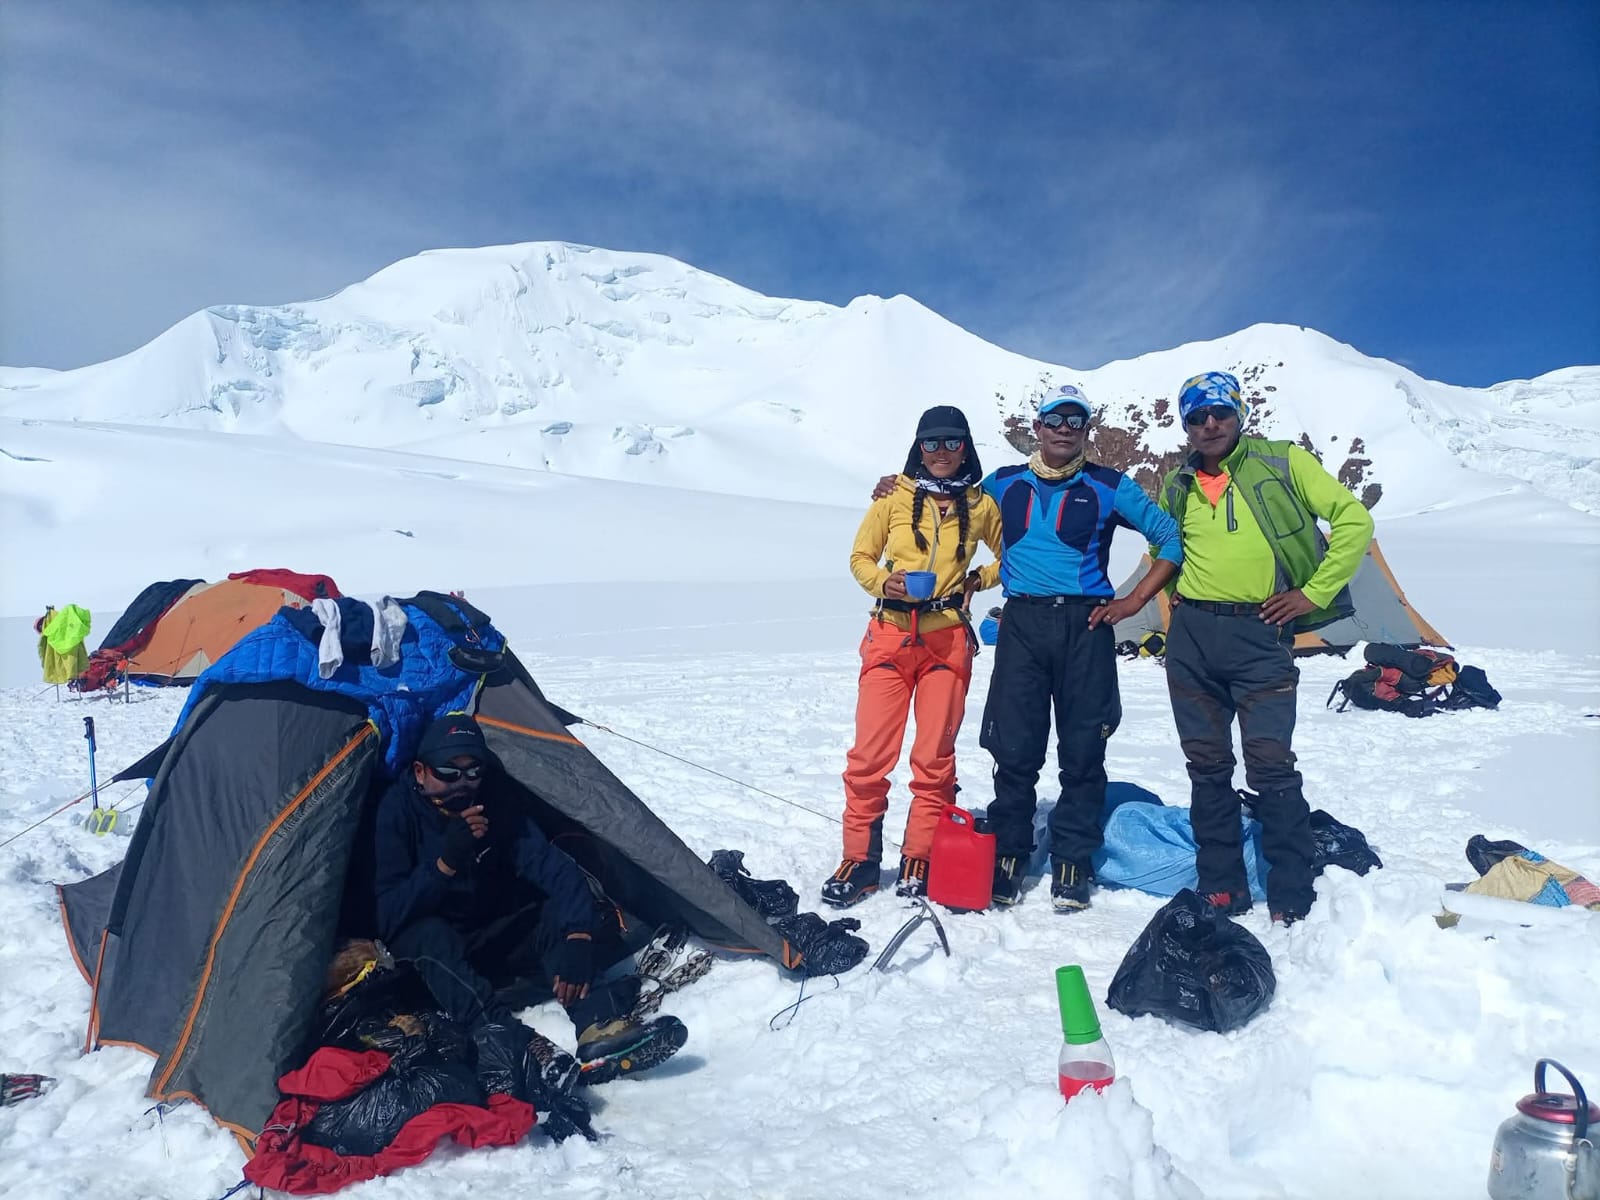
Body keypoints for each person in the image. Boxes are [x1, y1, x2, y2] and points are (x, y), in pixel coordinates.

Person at [872, 386, 1182, 912]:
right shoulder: (1001, 484)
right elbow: (945, 499)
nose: (1065, 427)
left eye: (1076, 420)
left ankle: (1072, 859)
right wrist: (896, 488)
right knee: (1013, 747)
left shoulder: (1109, 486)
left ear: (1087, 430)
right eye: (1054, 419)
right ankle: (1010, 854)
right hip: (1022, 624)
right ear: (1036, 427)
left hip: (1086, 624)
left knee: (1084, 747)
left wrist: (1132, 603)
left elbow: (1169, 540)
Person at [1157, 371, 1374, 924]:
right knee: (1206, 767)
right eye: (1197, 417)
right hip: (1193, 639)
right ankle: (1222, 886)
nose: (1210, 425)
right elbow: (1168, 547)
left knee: (1271, 766)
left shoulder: (1282, 462)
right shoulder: (1178, 482)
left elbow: (1354, 519)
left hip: (1260, 634)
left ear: (1239, 414)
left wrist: (1313, 593)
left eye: (1220, 413)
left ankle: (1291, 892)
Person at [371, 713, 687, 1087]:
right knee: (427, 935)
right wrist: (444, 863)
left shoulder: (494, 805)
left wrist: (578, 938)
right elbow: (387, 914)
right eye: (449, 774)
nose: (463, 785)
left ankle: (597, 1025)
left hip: (489, 934)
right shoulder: (394, 812)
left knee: (550, 911)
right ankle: (510, 1042)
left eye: (473, 773)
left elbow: (553, 869)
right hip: (434, 960)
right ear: (421, 772)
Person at [822, 405, 1004, 907]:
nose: (942, 452)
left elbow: (1013, 556)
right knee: (868, 758)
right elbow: (861, 558)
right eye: (932, 442)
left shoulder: (983, 505)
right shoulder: (892, 499)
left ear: (966, 446)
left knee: (934, 758)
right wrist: (887, 582)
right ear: (918, 446)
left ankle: (919, 854)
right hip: (890, 634)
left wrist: (977, 579)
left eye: (952, 442)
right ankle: (859, 860)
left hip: (947, 642)